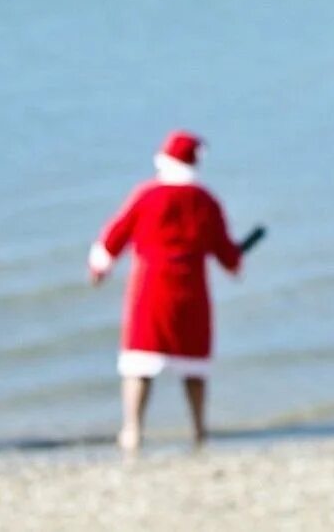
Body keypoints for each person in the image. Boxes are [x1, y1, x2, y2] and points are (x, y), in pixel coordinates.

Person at [89, 130, 243, 453]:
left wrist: (100, 266)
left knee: (141, 364)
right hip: (192, 289)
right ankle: (199, 430)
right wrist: (234, 262)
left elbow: (115, 234)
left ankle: (132, 429)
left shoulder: (147, 195)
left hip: (151, 287)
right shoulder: (205, 201)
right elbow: (227, 253)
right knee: (193, 365)